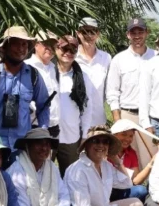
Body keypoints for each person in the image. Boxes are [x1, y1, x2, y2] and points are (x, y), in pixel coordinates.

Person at [64, 126, 143, 206]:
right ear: (87, 145)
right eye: (96, 141)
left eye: (105, 142)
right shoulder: (77, 171)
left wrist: (116, 160)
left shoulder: (106, 165)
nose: (101, 145)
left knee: (136, 204)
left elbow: (126, 184)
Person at [0, 26, 51, 150]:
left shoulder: (33, 76)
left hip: (21, 147)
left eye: (24, 44)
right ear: (5, 47)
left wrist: (42, 135)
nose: (21, 49)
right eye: (15, 44)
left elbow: (44, 105)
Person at [50, 35, 96, 173]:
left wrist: (84, 135)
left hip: (71, 136)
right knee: (44, 175)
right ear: (56, 49)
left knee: (71, 176)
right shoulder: (47, 72)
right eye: (65, 48)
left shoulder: (83, 77)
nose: (68, 53)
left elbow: (87, 108)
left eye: (73, 50)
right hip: (48, 135)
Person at [108, 18, 156, 125]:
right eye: (133, 33)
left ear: (147, 32)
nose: (137, 36)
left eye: (140, 32)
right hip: (128, 115)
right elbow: (112, 92)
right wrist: (117, 120)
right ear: (128, 35)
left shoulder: (157, 57)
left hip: (153, 117)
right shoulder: (118, 59)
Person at [75, 17, 112, 126]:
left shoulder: (106, 58)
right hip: (75, 122)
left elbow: (110, 90)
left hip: (98, 121)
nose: (89, 35)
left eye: (92, 31)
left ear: (97, 34)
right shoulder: (71, 57)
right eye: (85, 31)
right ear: (78, 33)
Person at [26, 31, 60, 135]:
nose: (50, 48)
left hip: (54, 126)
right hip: (34, 125)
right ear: (36, 45)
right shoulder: (26, 67)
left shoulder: (54, 68)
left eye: (53, 45)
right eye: (46, 44)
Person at [110, 119, 152, 202]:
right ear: (114, 135)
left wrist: (151, 163)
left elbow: (136, 181)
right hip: (106, 190)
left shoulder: (131, 153)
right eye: (124, 134)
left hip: (122, 190)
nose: (127, 139)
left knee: (142, 190)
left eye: (131, 136)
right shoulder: (105, 150)